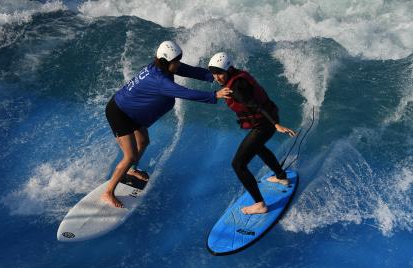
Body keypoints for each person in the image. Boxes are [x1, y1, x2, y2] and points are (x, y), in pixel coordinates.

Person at [103, 41, 232, 208]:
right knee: (129, 155)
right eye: (176, 62)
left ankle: (131, 170)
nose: (178, 64)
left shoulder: (163, 66)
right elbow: (185, 93)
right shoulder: (160, 80)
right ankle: (108, 192)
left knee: (143, 142)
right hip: (119, 113)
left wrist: (215, 77)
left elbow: (190, 71)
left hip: (131, 111)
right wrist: (215, 95)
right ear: (165, 62)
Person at [208, 52, 296, 215]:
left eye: (219, 73)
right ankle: (281, 176)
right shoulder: (235, 76)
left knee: (238, 164)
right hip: (266, 120)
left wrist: (276, 124)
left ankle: (260, 204)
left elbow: (255, 105)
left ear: (228, 70)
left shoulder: (237, 88)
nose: (217, 77)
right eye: (214, 74)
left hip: (265, 123)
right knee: (258, 148)